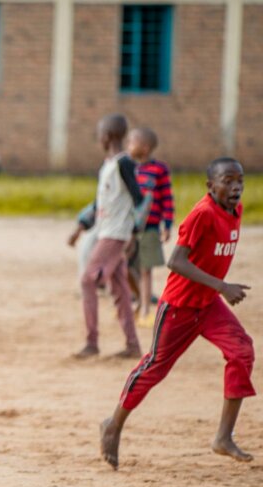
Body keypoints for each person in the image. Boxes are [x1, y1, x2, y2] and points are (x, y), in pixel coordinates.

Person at [100, 158, 254, 469]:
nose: (235, 187)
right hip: (179, 307)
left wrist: (216, 290)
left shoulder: (234, 210)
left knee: (242, 351)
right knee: (155, 366)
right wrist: (222, 286)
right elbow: (176, 262)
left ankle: (223, 437)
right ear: (210, 186)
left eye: (239, 180)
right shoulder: (202, 214)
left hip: (208, 305)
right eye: (227, 180)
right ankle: (113, 424)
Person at [67, 114, 144, 359]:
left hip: (115, 234)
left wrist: (133, 233)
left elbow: (139, 199)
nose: (98, 139)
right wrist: (81, 227)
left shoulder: (125, 164)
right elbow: (100, 202)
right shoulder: (108, 165)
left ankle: (92, 343)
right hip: (105, 231)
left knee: (87, 281)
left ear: (107, 136)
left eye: (100, 134)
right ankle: (132, 346)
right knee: (120, 289)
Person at [127, 127, 175, 328]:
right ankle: (135, 300)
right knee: (126, 266)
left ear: (145, 148)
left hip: (150, 228)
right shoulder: (127, 168)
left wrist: (167, 224)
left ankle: (146, 308)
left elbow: (167, 199)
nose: (128, 146)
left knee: (146, 269)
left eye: (132, 142)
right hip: (127, 229)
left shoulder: (159, 170)